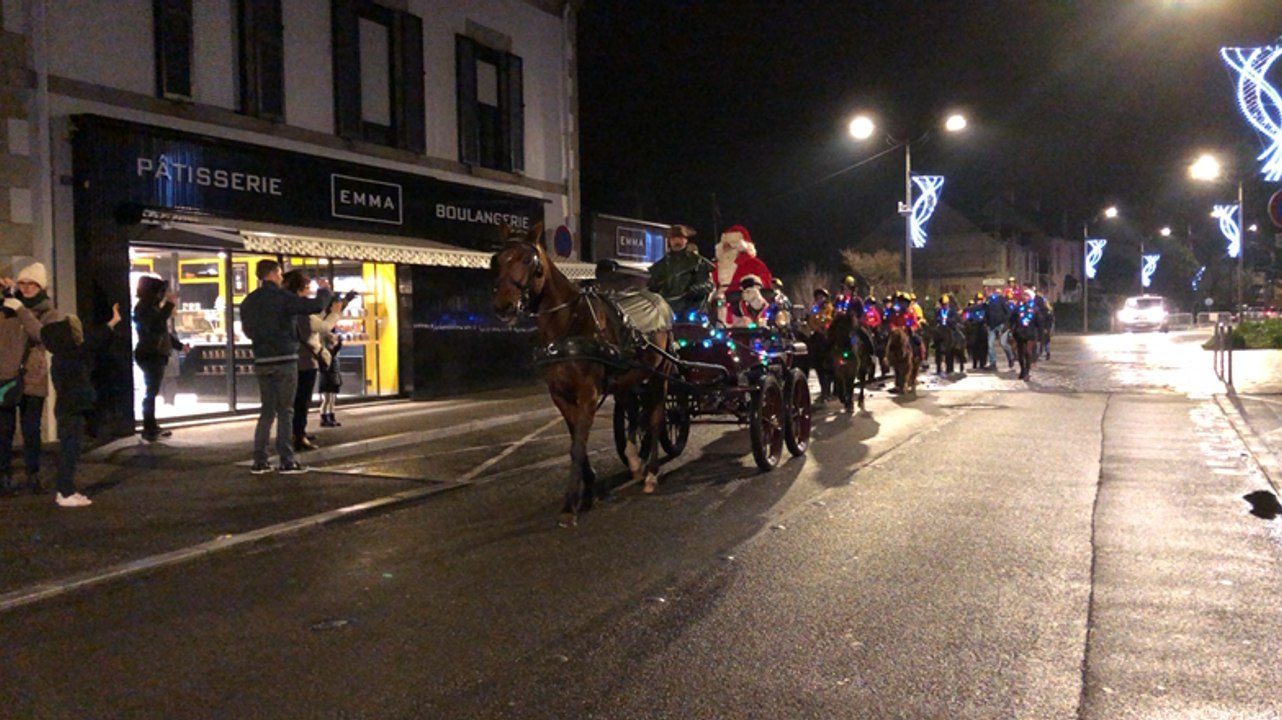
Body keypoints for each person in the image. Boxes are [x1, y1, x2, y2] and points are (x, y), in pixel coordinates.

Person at [239, 260, 331, 474]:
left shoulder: (249, 301)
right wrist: (324, 291)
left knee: (266, 412)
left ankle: (259, 461)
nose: (281, 277)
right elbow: (314, 306)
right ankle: (287, 460)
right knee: (285, 411)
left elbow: (248, 331)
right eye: (279, 273)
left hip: (262, 360)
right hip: (285, 359)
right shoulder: (283, 298)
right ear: (272, 273)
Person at [39, 304, 123, 507]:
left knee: (72, 449)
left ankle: (67, 490)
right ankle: (65, 492)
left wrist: (112, 323)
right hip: (71, 410)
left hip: (70, 409)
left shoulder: (63, 357)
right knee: (70, 450)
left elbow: (92, 341)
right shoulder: (70, 357)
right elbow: (93, 341)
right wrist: (112, 323)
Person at [0, 263, 59, 496]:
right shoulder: (7, 307)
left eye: (31, 284)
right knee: (4, 431)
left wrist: (22, 310)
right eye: (22, 283)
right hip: (5, 376)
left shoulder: (48, 311)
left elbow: (42, 336)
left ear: (41, 286)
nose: (26, 288)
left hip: (32, 378)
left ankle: (32, 475)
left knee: (31, 430)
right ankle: (3, 476)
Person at [132, 275, 185, 442]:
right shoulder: (144, 308)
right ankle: (149, 427)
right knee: (151, 391)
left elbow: (163, 332)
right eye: (160, 292)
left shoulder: (149, 308)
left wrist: (178, 345)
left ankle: (151, 425)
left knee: (152, 391)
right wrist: (169, 305)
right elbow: (156, 325)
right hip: (151, 354)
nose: (162, 295)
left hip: (154, 353)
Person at [647, 224, 714, 321]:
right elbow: (652, 286)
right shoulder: (661, 265)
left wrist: (697, 288)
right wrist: (653, 286)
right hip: (667, 309)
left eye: (680, 238)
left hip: (692, 308)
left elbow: (708, 284)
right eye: (674, 238)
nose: (677, 241)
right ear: (669, 241)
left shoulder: (697, 262)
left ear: (686, 240)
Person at [712, 225, 772, 326]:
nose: (726, 248)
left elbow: (765, 285)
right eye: (724, 245)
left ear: (739, 246)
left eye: (730, 245)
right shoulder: (715, 267)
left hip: (744, 314)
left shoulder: (754, 264)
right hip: (716, 314)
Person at [984, 290, 1013, 369]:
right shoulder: (988, 302)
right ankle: (993, 363)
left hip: (1001, 325)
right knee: (990, 345)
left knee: (1003, 343)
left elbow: (1008, 312)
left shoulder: (1001, 300)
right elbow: (984, 310)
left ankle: (1011, 357)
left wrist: (1006, 323)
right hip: (991, 326)